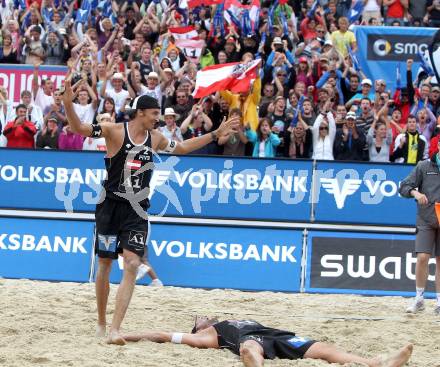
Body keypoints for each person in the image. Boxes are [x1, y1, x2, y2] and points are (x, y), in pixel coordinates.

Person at [61, 79, 238, 345]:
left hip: (137, 208)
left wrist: (214, 134)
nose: (159, 118)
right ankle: (100, 321)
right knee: (105, 264)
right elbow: (78, 128)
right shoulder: (114, 131)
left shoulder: (155, 139)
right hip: (109, 206)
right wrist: (67, 104)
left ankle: (115, 330)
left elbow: (184, 148)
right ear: (141, 113)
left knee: (132, 263)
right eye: (155, 114)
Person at [121, 317, 413, 367]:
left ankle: (373, 363)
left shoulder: (233, 318)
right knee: (248, 349)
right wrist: (125, 335)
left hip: (275, 334)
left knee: (322, 349)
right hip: (250, 340)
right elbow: (161, 335)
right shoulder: (206, 335)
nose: (203, 317)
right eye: (200, 319)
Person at [399, 139, 440, 315]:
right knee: (423, 257)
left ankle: (439, 302)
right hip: (425, 218)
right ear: (438, 146)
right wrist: (416, 193)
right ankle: (419, 298)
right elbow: (404, 186)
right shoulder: (424, 166)